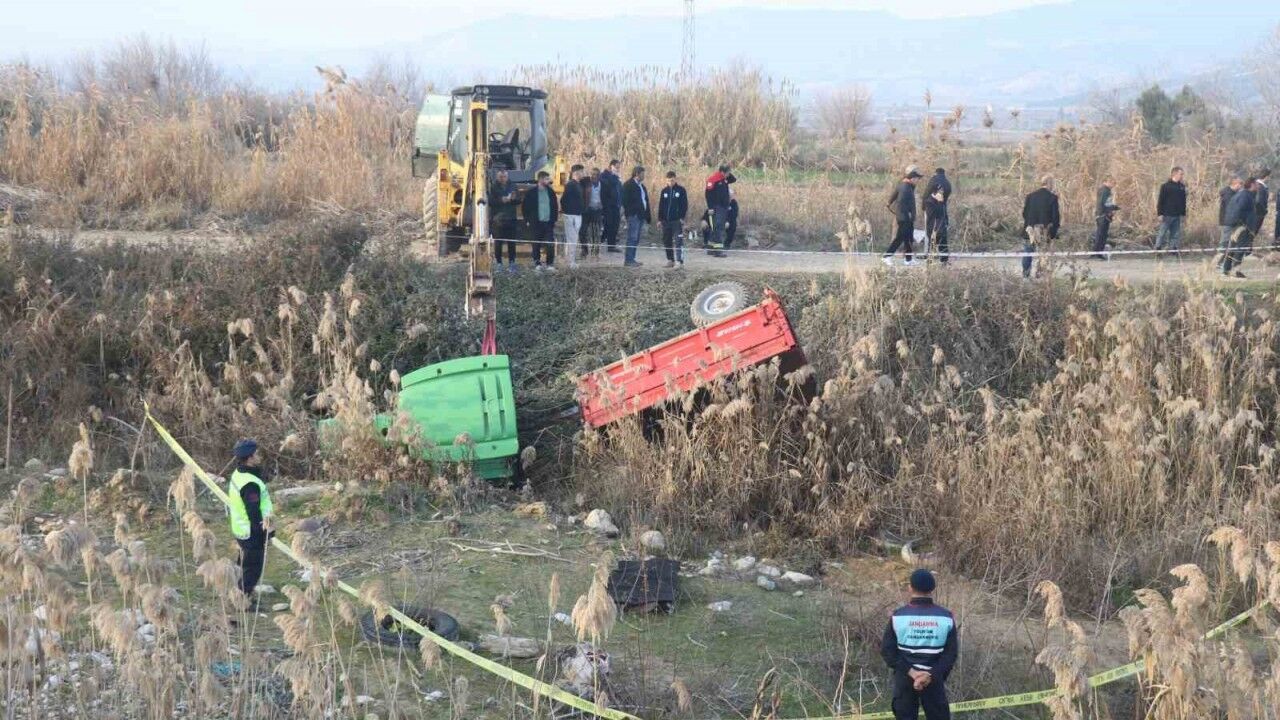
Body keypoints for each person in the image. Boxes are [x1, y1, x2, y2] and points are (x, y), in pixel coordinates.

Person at [881, 569, 958, 720]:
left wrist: (912, 673)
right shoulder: (946, 617)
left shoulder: (898, 617)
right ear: (932, 590)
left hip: (905, 679)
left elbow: (888, 651)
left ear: (910, 588)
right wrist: (929, 674)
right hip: (933, 679)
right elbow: (951, 654)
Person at [228, 439, 274, 600]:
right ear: (249, 457)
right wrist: (264, 533)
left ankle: (238, 592)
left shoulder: (239, 474)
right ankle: (242, 601)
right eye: (256, 454)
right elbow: (253, 512)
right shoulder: (250, 484)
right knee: (253, 568)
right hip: (251, 533)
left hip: (241, 530)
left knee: (244, 565)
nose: (259, 456)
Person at [1022, 176, 1061, 279]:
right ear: (1049, 184)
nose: (1053, 186)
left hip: (1030, 229)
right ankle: (1039, 275)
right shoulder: (1053, 197)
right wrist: (1053, 233)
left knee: (1028, 252)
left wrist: (1029, 224)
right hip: (1044, 231)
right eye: (1053, 184)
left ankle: (1025, 276)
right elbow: (1055, 217)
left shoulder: (1030, 196)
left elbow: (1024, 213)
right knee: (1043, 254)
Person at [883, 166, 922, 267]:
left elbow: (893, 195)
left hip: (904, 217)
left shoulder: (902, 185)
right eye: (917, 179)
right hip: (905, 218)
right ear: (913, 178)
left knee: (908, 238)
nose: (918, 181)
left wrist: (889, 203)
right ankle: (886, 256)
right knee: (899, 238)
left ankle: (908, 259)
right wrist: (908, 215)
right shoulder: (907, 188)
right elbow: (901, 203)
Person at [522, 171, 559, 271]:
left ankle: (550, 264)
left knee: (550, 243)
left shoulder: (551, 192)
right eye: (547, 179)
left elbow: (555, 206)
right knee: (536, 244)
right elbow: (525, 207)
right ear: (541, 179)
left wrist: (555, 219)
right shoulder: (531, 193)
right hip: (536, 222)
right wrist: (527, 220)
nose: (549, 181)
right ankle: (537, 263)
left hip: (548, 223)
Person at [1223, 177, 1257, 278]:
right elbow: (1239, 209)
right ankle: (1236, 270)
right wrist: (1243, 223)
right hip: (1242, 226)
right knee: (1240, 248)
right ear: (1252, 184)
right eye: (1256, 184)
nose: (1257, 186)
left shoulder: (1241, 194)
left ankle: (1226, 269)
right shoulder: (1245, 196)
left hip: (1237, 225)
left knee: (1233, 247)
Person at [488, 169, 520, 273]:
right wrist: (502, 200)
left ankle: (512, 262)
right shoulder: (493, 187)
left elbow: (518, 200)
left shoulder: (513, 186)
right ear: (497, 177)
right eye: (500, 177)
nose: (503, 179)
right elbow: (490, 201)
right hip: (498, 219)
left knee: (511, 242)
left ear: (507, 176)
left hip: (511, 218)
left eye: (504, 177)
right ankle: (499, 263)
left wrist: (513, 199)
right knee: (498, 242)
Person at [704, 164, 737, 257]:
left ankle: (710, 248)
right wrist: (710, 207)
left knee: (715, 227)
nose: (728, 175)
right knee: (718, 227)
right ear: (722, 172)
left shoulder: (724, 179)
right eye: (728, 173)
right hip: (716, 207)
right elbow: (708, 195)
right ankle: (718, 250)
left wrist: (728, 174)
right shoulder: (713, 179)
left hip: (723, 207)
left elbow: (734, 180)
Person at [657, 170, 688, 268]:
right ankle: (670, 260)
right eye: (669, 181)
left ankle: (679, 261)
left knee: (678, 241)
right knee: (667, 240)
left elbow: (684, 205)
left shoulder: (681, 190)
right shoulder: (664, 191)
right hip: (666, 221)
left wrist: (682, 218)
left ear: (675, 179)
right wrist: (659, 219)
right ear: (666, 180)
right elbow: (661, 205)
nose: (670, 182)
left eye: (672, 180)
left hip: (676, 221)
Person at [621, 166, 651, 268]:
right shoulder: (628, 185)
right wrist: (630, 213)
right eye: (642, 173)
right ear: (637, 174)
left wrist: (648, 216)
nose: (644, 176)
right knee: (632, 237)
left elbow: (645, 201)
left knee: (636, 238)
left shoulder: (642, 186)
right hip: (633, 216)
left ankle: (632, 259)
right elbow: (624, 201)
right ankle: (628, 260)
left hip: (641, 215)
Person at [1155, 166, 1187, 253]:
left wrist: (1183, 214)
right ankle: (1158, 249)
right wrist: (1160, 214)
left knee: (1175, 234)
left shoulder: (1182, 187)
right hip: (1167, 215)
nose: (1182, 176)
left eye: (1182, 174)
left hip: (1177, 215)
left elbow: (1183, 202)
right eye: (1180, 174)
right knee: (1162, 233)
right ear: (1175, 174)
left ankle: (1173, 250)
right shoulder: (1165, 186)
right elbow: (1160, 200)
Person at [923, 168, 952, 263]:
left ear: (935, 173)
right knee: (942, 233)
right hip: (942, 208)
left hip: (932, 208)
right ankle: (944, 258)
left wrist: (923, 206)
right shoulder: (948, 183)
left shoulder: (933, 180)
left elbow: (926, 192)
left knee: (931, 232)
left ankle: (930, 256)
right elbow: (946, 198)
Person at [561, 164, 586, 269]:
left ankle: (571, 260)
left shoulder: (579, 184)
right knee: (572, 239)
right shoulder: (571, 185)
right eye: (582, 172)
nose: (583, 174)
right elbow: (563, 200)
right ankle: (570, 262)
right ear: (576, 173)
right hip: (570, 215)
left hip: (577, 214)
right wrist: (568, 213)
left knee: (573, 239)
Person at [1090, 177, 1120, 260]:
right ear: (1106, 182)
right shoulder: (1104, 190)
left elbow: (1107, 203)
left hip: (1104, 215)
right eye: (1112, 183)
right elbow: (1101, 204)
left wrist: (1114, 207)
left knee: (1103, 235)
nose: (1113, 185)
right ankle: (1096, 253)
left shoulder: (1106, 190)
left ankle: (1099, 253)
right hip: (1103, 216)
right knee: (1101, 235)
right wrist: (1107, 212)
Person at [600, 160, 624, 253]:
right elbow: (607, 186)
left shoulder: (617, 178)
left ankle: (611, 245)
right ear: (611, 166)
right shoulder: (605, 176)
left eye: (619, 167)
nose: (618, 169)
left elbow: (620, 191)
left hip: (616, 206)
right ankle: (604, 241)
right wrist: (614, 177)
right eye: (616, 167)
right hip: (608, 205)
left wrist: (621, 203)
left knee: (615, 225)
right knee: (609, 225)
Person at [1217, 176, 1243, 257]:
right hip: (1227, 221)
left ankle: (1229, 256)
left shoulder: (1235, 193)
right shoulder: (1228, 193)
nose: (1241, 186)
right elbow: (1232, 207)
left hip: (1234, 221)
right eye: (1240, 184)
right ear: (1235, 184)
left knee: (1233, 240)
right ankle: (1220, 258)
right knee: (1225, 240)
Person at [582, 167, 603, 257]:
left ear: (599, 176)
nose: (594, 176)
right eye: (592, 174)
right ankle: (584, 250)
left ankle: (595, 252)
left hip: (597, 210)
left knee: (596, 232)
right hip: (587, 210)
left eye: (596, 174)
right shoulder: (585, 183)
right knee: (583, 231)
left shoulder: (603, 184)